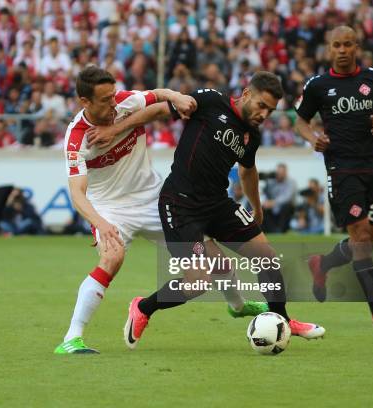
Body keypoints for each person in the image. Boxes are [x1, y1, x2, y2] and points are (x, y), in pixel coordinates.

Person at [92, 71, 326, 347]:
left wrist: (256, 207)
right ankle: (143, 307)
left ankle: (282, 320)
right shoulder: (211, 101)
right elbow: (157, 111)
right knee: (197, 282)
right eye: (262, 106)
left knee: (267, 258)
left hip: (216, 204)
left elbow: (248, 171)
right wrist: (115, 129)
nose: (264, 114)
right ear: (247, 94)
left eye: (271, 111)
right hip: (180, 205)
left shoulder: (252, 135)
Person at [54, 66, 267, 354]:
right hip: (111, 209)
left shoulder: (124, 103)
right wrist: (101, 224)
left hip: (154, 197)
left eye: (113, 95)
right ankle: (72, 338)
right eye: (104, 99)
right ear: (84, 102)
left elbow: (155, 97)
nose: (112, 102)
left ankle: (239, 306)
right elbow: (77, 194)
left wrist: (176, 96)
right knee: (112, 259)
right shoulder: (76, 138)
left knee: (215, 260)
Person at [295, 26, 373, 328]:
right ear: (329, 49)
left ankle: (322, 263)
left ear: (357, 47)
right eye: (336, 45)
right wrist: (312, 137)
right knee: (362, 239)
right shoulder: (318, 85)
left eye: (347, 45)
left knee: (366, 240)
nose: (342, 50)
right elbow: (300, 121)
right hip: (342, 171)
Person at [261, 163, 296, 233]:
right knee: (262, 208)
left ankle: (281, 230)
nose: (280, 174)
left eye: (282, 173)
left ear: (286, 173)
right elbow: (266, 194)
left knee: (287, 206)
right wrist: (266, 180)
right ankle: (270, 230)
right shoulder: (271, 182)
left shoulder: (291, 182)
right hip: (272, 208)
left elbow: (287, 197)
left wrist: (274, 202)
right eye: (278, 172)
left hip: (284, 208)